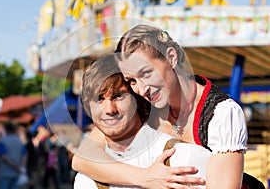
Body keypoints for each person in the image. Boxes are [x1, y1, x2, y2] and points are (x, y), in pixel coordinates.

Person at [72, 25, 248, 189]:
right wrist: (144, 177)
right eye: (132, 80)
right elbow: (83, 158)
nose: (142, 89)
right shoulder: (143, 100)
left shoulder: (221, 114)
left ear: (171, 57)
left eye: (146, 73)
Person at [74, 55, 211, 189]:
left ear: (137, 98)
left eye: (118, 96)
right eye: (99, 99)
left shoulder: (183, 159)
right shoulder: (86, 180)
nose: (109, 109)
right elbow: (82, 157)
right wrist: (145, 177)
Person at [0, 122, 27, 189]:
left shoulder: (2, 141)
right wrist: (21, 166)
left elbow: (3, 156)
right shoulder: (20, 141)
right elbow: (24, 155)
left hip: (5, 172)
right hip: (17, 172)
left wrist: (14, 165)